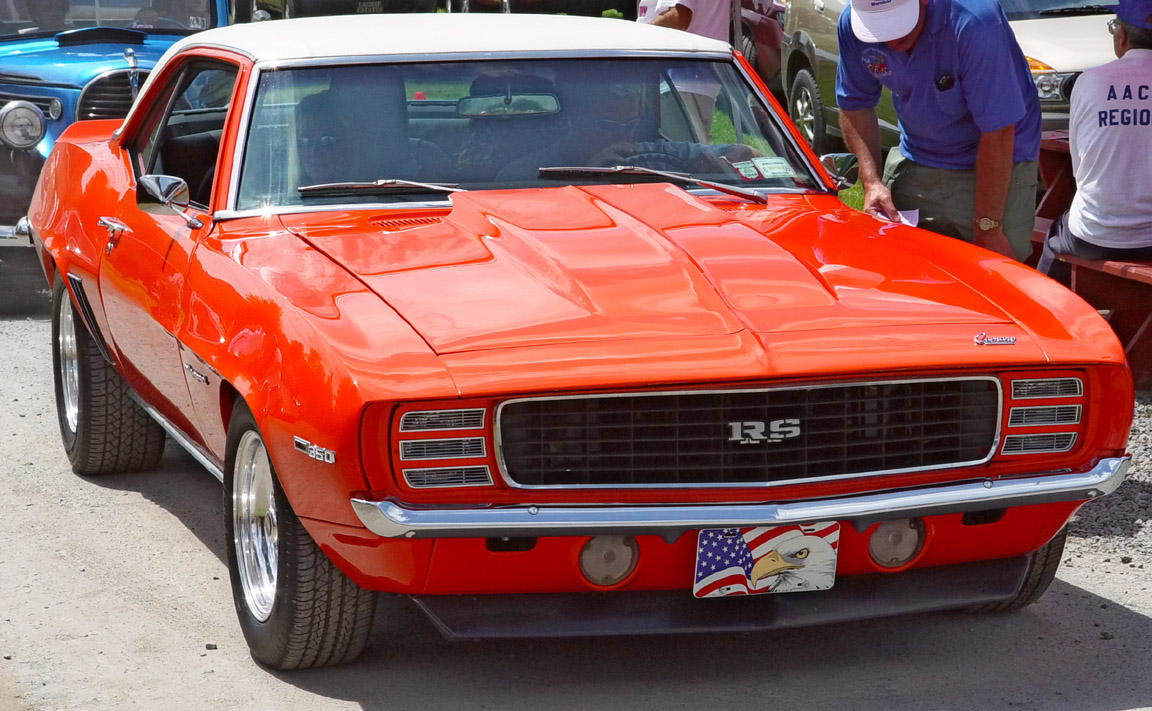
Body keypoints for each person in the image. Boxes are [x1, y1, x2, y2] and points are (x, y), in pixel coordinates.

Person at [835, 0, 1041, 260]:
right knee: (905, 269)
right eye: (878, 28)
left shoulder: (976, 22)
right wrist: (871, 182)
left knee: (996, 274)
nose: (889, 40)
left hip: (999, 159)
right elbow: (855, 104)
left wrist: (988, 226)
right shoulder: (853, 23)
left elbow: (998, 131)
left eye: (897, 23)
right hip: (918, 154)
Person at [1036, 0, 1152, 281]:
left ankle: (1045, 315)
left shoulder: (1089, 82)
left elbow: (1080, 170)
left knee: (1054, 236)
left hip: (1094, 236)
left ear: (1121, 36)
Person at [636, 0, 730, 140]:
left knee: (680, 155)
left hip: (677, 80)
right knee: (691, 149)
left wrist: (635, 38)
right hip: (695, 76)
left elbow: (679, 17)